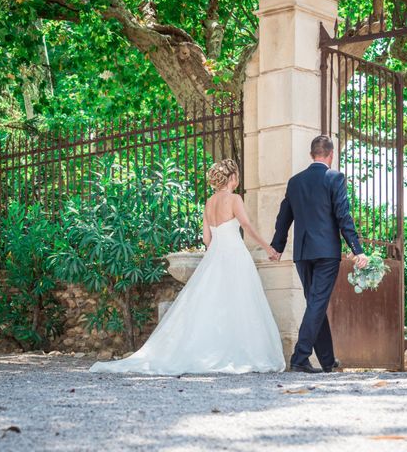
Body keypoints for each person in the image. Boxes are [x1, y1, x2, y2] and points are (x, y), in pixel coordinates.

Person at [90, 159, 285, 375]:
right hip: (235, 256)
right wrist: (268, 248)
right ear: (232, 178)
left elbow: (207, 239)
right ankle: (236, 351)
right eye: (236, 175)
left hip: (215, 257)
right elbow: (247, 226)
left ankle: (212, 351)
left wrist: (217, 253)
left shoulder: (209, 203)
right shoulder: (234, 199)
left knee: (212, 305)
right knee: (240, 302)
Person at [270, 135, 368, 373]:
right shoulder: (335, 178)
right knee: (317, 303)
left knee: (316, 303)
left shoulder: (295, 182)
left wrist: (277, 246)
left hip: (303, 253)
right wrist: (357, 250)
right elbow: (343, 215)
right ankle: (300, 356)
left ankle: (326, 360)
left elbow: (284, 216)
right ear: (331, 155)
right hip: (326, 253)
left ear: (311, 154)